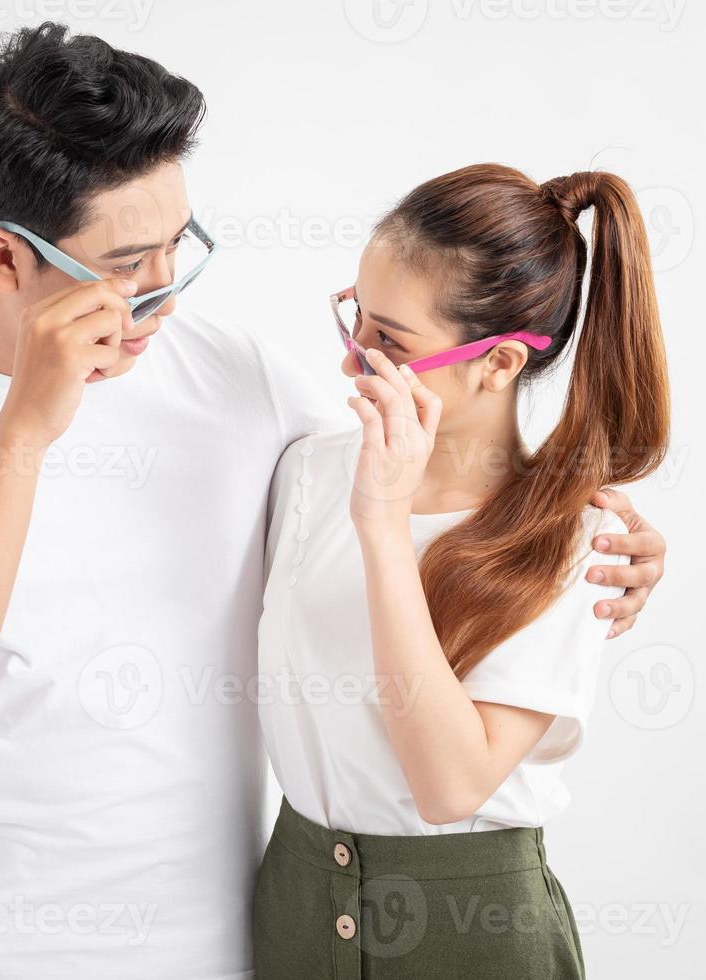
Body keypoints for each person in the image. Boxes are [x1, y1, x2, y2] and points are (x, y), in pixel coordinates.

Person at [0, 24, 668, 978]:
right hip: (9, 951)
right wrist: (23, 432)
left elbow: (429, 475)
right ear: (4, 259)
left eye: (177, 244)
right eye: (127, 263)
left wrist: (598, 534)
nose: (164, 292)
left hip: (251, 944)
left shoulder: (233, 377)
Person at [254, 164, 669, 978]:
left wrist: (381, 523)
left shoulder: (575, 544)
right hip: (294, 906)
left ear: (500, 363)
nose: (352, 363)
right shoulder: (305, 472)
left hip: (468, 932)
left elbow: (449, 786)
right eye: (354, 320)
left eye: (390, 341)